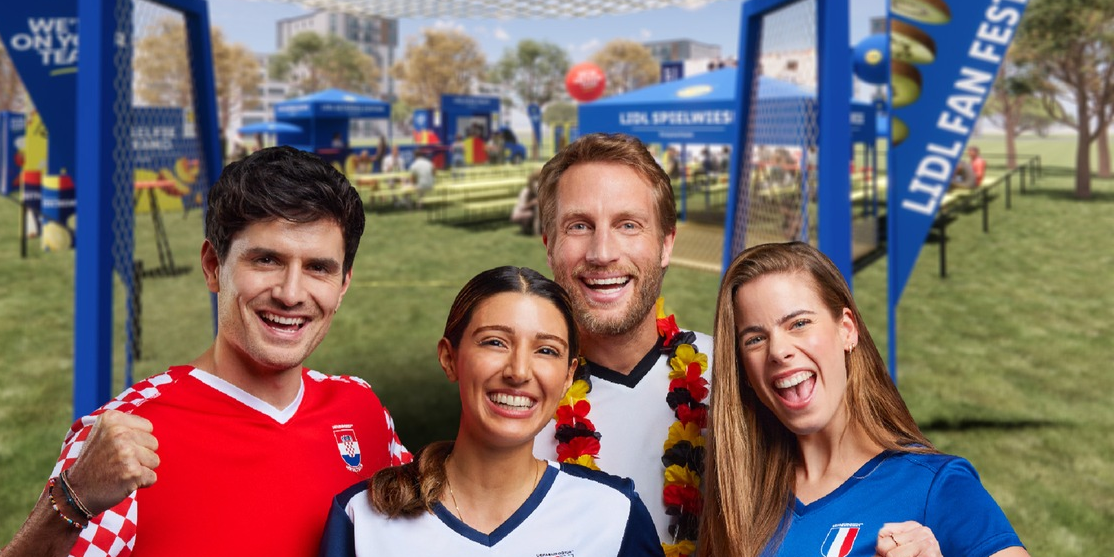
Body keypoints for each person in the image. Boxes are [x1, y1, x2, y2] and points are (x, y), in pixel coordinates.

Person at [0, 146, 411, 557]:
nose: (290, 293)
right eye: (267, 260)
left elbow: (441, 518)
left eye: (318, 268)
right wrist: (72, 499)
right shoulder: (130, 437)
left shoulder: (362, 410)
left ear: (343, 285)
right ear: (214, 266)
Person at [702, 242, 1027, 557]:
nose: (778, 351)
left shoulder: (935, 486)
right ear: (743, 370)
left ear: (847, 329)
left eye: (799, 323)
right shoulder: (737, 499)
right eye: (755, 339)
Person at [320, 266, 662, 557]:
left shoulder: (613, 514)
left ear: (568, 376)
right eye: (495, 342)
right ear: (449, 358)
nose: (519, 371)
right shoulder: (362, 518)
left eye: (546, 350)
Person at [532, 133, 713, 556]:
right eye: (579, 226)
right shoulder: (520, 400)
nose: (602, 252)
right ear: (549, 246)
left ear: (666, 244)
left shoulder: (733, 375)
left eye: (628, 225)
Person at [510, 170, 540, 235]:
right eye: (536, 180)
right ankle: (527, 229)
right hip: (521, 213)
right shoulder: (526, 192)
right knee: (531, 214)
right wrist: (532, 203)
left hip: (534, 213)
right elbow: (521, 207)